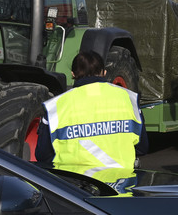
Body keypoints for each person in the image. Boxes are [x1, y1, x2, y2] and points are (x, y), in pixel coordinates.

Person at [35, 50, 148, 187]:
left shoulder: (56, 106)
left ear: (73, 74)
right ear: (104, 72)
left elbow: (42, 155)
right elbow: (142, 147)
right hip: (120, 191)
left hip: (74, 193)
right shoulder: (129, 99)